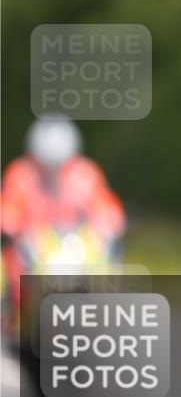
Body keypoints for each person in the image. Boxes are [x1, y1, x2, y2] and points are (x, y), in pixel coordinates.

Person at [0, 116, 126, 339]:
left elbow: (108, 209)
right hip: (35, 253)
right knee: (9, 267)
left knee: (114, 268)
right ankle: (11, 322)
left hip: (77, 253)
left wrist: (109, 224)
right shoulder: (21, 175)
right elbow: (8, 210)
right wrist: (9, 224)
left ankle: (108, 326)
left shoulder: (86, 174)